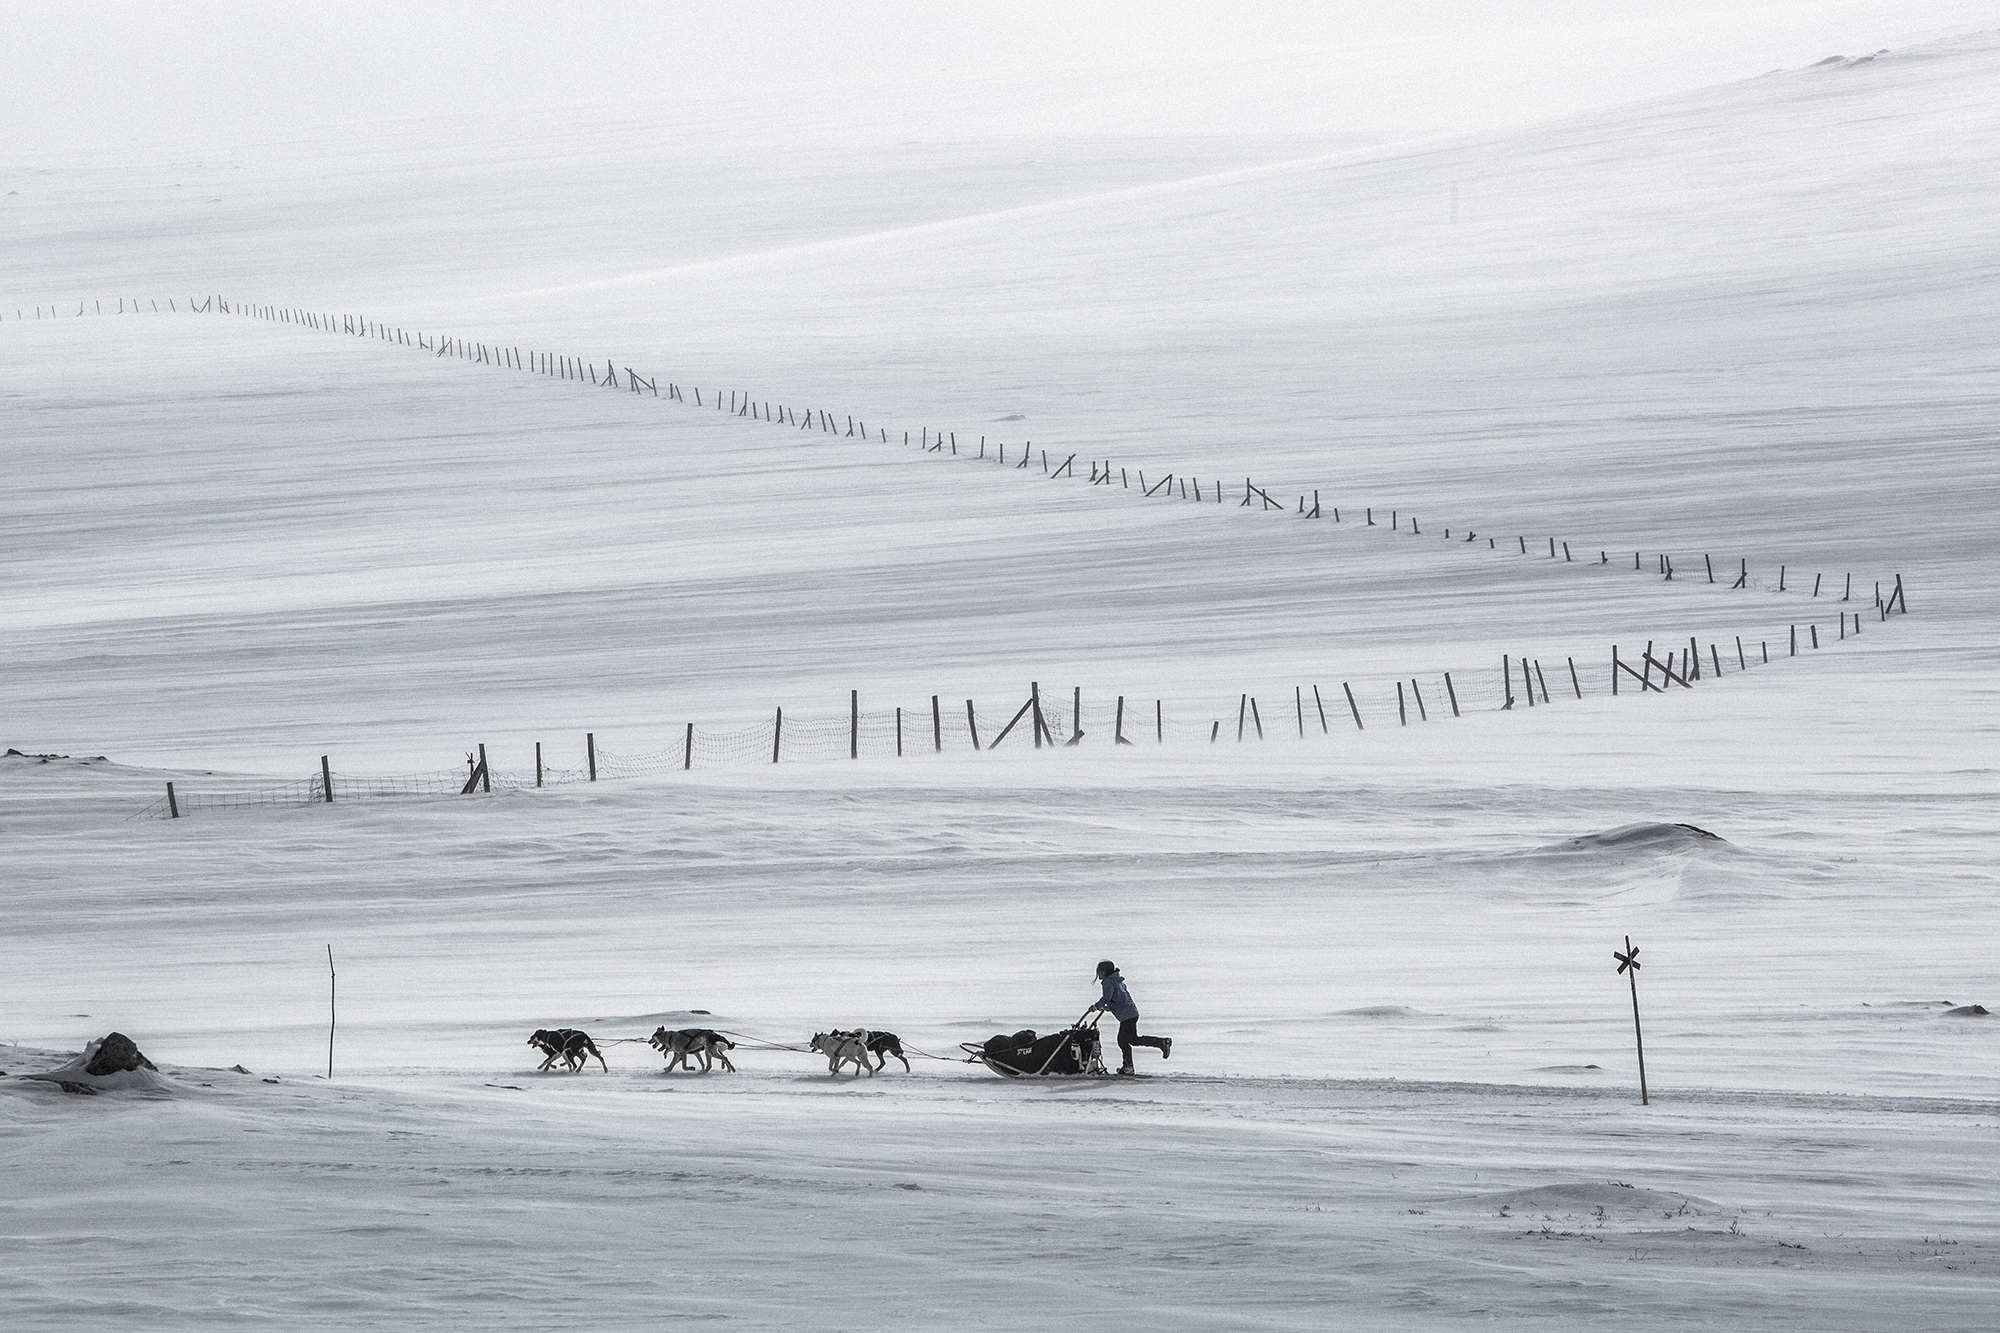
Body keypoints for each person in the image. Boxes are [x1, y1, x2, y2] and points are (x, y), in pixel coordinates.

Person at [1090, 960, 1171, 1074]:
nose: (1099, 974)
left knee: (1127, 1040)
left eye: (1100, 972)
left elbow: (1106, 998)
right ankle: (1128, 1066)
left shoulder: (1108, 982)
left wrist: (1095, 1007)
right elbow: (1120, 998)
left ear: (1104, 972)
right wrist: (1110, 1008)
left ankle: (1160, 1043)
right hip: (1131, 1013)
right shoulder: (1118, 981)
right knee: (1128, 1040)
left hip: (1127, 1016)